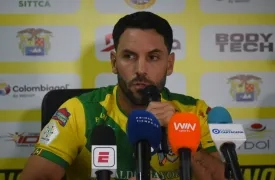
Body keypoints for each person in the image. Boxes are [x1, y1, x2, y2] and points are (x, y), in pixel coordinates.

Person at [20, 11, 226, 180]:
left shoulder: (194, 113)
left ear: (169, 64)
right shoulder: (78, 111)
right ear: (113, 62)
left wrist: (181, 139)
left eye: (153, 57)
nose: (141, 69)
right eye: (129, 56)